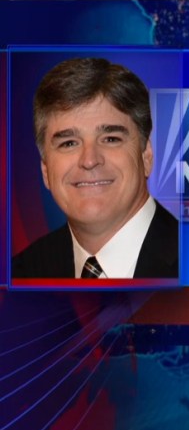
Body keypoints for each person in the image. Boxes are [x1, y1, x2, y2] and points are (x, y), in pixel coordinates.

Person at [12, 57, 179, 279]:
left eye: (110, 139)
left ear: (146, 156)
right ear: (45, 170)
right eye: (69, 143)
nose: (89, 160)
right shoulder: (20, 275)